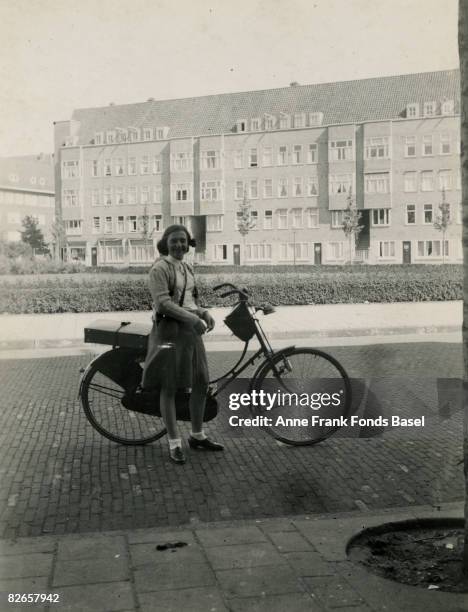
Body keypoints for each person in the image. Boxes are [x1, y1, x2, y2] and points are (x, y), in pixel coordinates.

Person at [142, 224, 224, 464]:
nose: (179, 245)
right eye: (174, 240)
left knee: (200, 380)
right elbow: (163, 304)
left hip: (190, 331)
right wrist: (192, 318)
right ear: (166, 243)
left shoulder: (187, 267)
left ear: (188, 244)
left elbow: (189, 300)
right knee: (170, 386)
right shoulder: (160, 268)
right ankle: (174, 442)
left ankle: (197, 435)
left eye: (183, 241)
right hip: (169, 331)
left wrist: (203, 312)